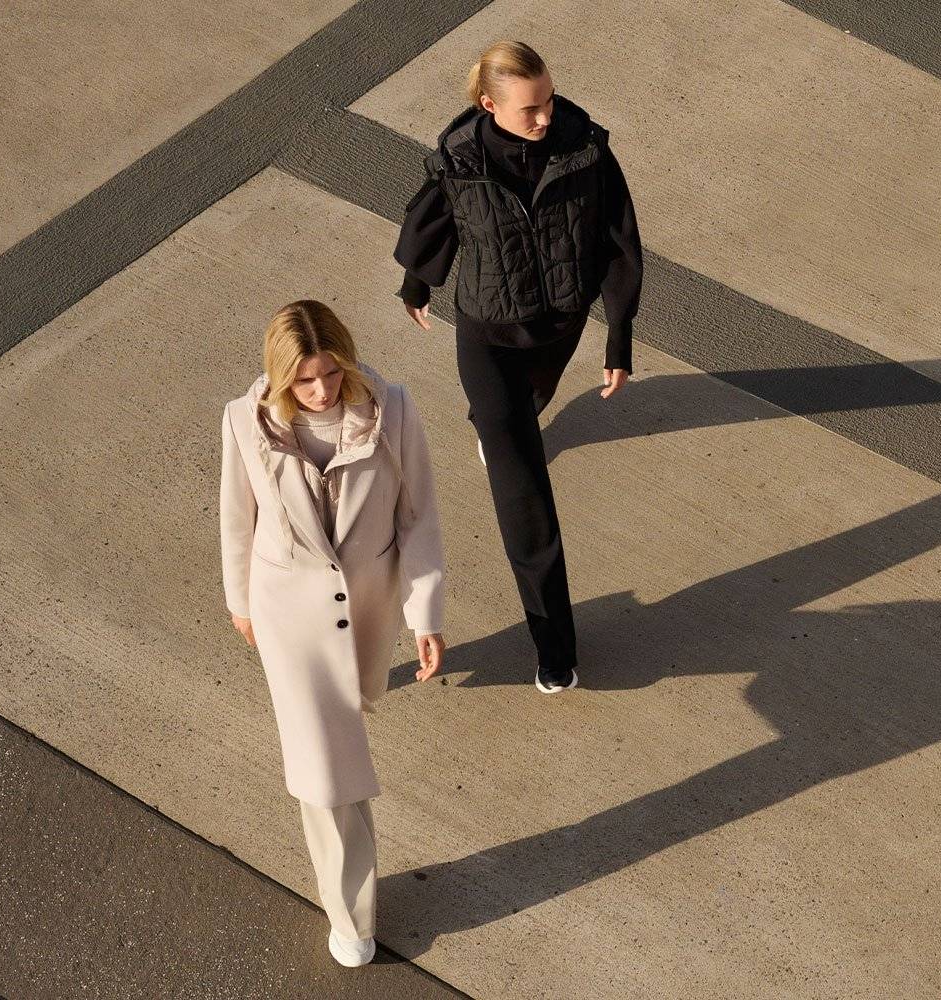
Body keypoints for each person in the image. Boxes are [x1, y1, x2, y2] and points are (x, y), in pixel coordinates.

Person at [393, 40, 642, 694]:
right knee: (524, 489)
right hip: (489, 336)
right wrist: (417, 283)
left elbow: (620, 242)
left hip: (559, 325)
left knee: (529, 405)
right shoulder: (460, 162)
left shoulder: (585, 151)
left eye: (549, 100)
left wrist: (618, 337)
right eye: (530, 108)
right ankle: (555, 646)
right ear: (488, 104)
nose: (545, 116)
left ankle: (502, 419)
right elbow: (435, 221)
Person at [218, 299, 446, 966]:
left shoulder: (393, 411)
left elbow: (419, 516)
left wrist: (425, 613)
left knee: (346, 726)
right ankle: (351, 914)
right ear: (281, 376)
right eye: (304, 380)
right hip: (287, 612)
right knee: (325, 769)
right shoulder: (243, 421)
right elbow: (237, 518)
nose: (320, 391)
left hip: (367, 607)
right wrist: (241, 603)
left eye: (331, 374)